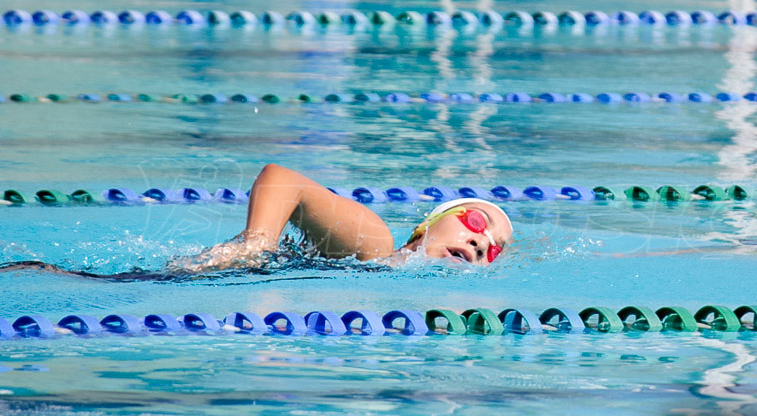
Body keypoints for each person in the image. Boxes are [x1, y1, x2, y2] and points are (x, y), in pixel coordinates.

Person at [176, 163, 513, 272]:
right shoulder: (373, 245)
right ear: (426, 226)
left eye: (493, 250)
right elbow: (282, 179)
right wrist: (257, 243)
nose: (481, 241)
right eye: (477, 222)